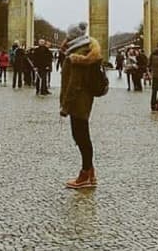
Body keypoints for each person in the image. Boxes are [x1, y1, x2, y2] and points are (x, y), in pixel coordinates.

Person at [60, 22, 102, 190]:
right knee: (83, 136)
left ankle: (84, 175)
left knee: (81, 137)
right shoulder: (84, 49)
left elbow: (74, 84)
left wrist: (65, 106)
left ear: (72, 36)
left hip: (78, 101)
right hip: (84, 99)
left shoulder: (77, 55)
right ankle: (90, 172)